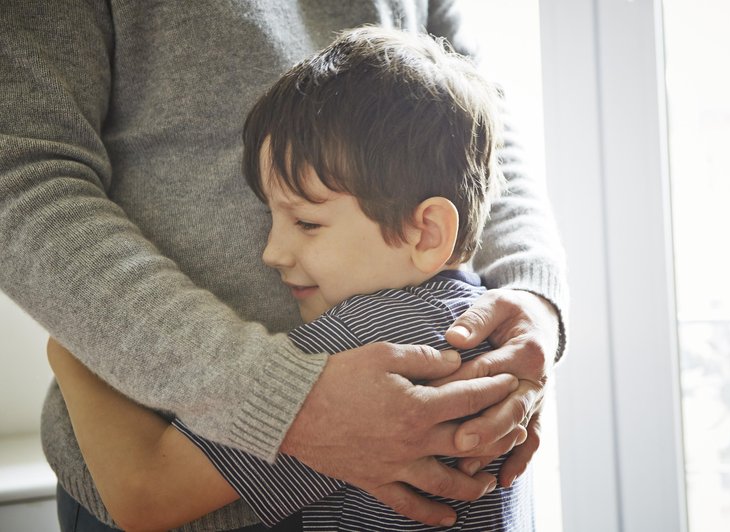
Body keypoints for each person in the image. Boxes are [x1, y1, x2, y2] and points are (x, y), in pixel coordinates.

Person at [1, 2, 567, 530]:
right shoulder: (471, 330)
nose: (272, 253)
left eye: (308, 222)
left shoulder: (365, 346)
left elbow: (144, 493)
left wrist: (70, 352)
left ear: (428, 232)